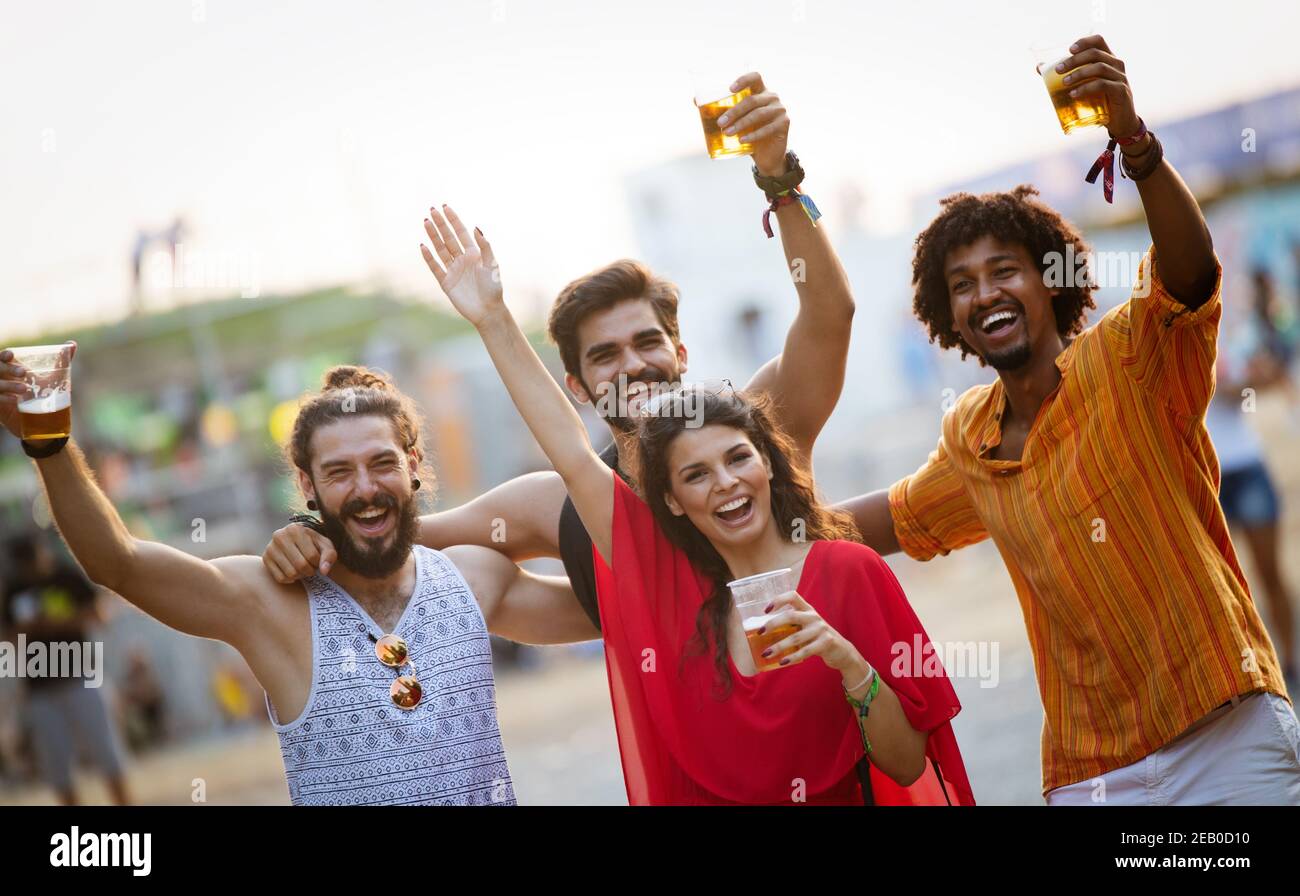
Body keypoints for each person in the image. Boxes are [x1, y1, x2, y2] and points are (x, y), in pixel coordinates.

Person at [839, 35, 1300, 804]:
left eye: (1004, 270)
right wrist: (756, 523)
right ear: (946, 316)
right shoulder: (970, 440)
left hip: (1228, 735)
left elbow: (1189, 274)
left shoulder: (1129, 358)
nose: (985, 293)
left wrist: (1135, 145)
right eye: (962, 284)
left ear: (1051, 282)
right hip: (1095, 779)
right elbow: (887, 519)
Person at [260, 72, 856, 645]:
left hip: (825, 712)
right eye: (605, 355)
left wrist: (779, 176)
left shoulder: (758, 431)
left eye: (648, 343)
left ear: (680, 351)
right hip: (684, 741)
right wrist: (309, 532)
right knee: (474, 566)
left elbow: (831, 317)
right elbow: (388, 530)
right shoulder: (556, 503)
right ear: (576, 385)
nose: (633, 366)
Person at [418, 203, 974, 805]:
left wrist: (847, 661)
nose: (726, 483)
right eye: (696, 476)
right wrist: (493, 318)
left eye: (738, 459)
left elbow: (830, 312)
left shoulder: (846, 570)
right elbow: (568, 457)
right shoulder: (653, 564)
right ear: (671, 502)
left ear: (768, 458)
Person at [0, 350, 599, 805]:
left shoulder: (472, 575)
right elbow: (118, 563)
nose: (364, 488)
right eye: (339, 472)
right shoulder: (269, 603)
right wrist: (50, 446)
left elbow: (613, 605)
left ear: (413, 465)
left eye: (382, 463)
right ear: (308, 486)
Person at [1, 532, 130, 805]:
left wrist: (58, 624)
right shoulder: (16, 589)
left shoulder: (66, 577)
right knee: (57, 764)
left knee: (105, 751)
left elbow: (99, 614)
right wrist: (27, 631)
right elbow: (6, 635)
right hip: (40, 687)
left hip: (80, 675)